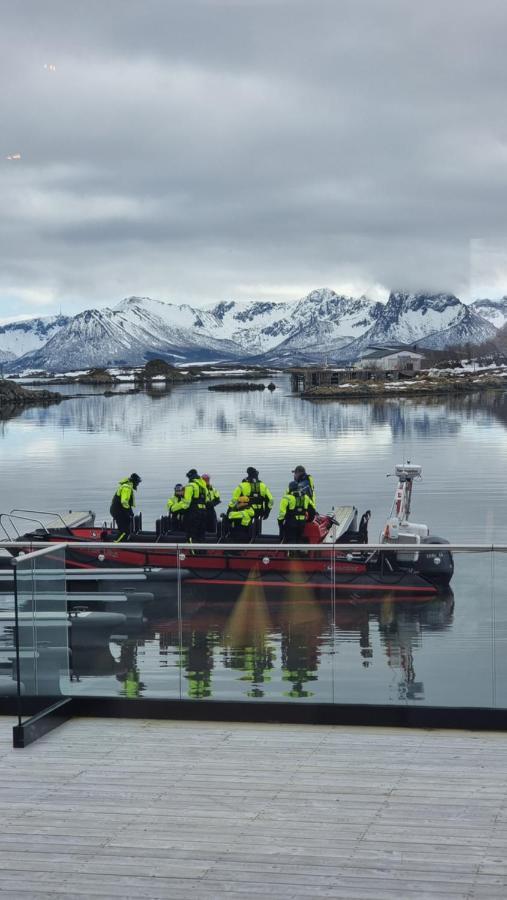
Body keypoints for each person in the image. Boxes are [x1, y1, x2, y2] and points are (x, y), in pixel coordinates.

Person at [229, 467, 273, 532]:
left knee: (242, 529)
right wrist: (267, 512)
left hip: (246, 512)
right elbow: (271, 500)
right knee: (256, 532)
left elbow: (233, 500)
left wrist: (229, 510)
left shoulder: (242, 485)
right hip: (259, 513)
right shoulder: (263, 486)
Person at [172, 468, 208, 545]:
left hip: (194, 513)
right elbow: (207, 500)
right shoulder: (203, 487)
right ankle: (202, 553)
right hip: (204, 512)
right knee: (201, 535)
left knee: (191, 535)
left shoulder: (190, 486)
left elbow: (186, 503)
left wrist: (173, 508)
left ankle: (193, 554)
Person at [109, 473, 142, 542]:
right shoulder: (127, 488)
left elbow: (127, 504)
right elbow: (124, 501)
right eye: (137, 483)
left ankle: (122, 541)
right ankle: (117, 544)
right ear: (134, 482)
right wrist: (128, 512)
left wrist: (130, 512)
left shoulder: (127, 486)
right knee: (124, 530)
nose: (138, 485)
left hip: (118, 510)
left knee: (125, 527)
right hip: (118, 511)